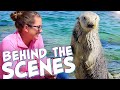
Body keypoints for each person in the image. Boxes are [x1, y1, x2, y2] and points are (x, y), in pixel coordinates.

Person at [0, 11, 70, 79]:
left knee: (62, 74)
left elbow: (42, 63)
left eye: (41, 27)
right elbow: (12, 75)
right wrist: (41, 73)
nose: (41, 30)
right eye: (38, 27)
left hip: (33, 75)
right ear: (26, 28)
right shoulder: (8, 43)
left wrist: (51, 72)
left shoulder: (37, 38)